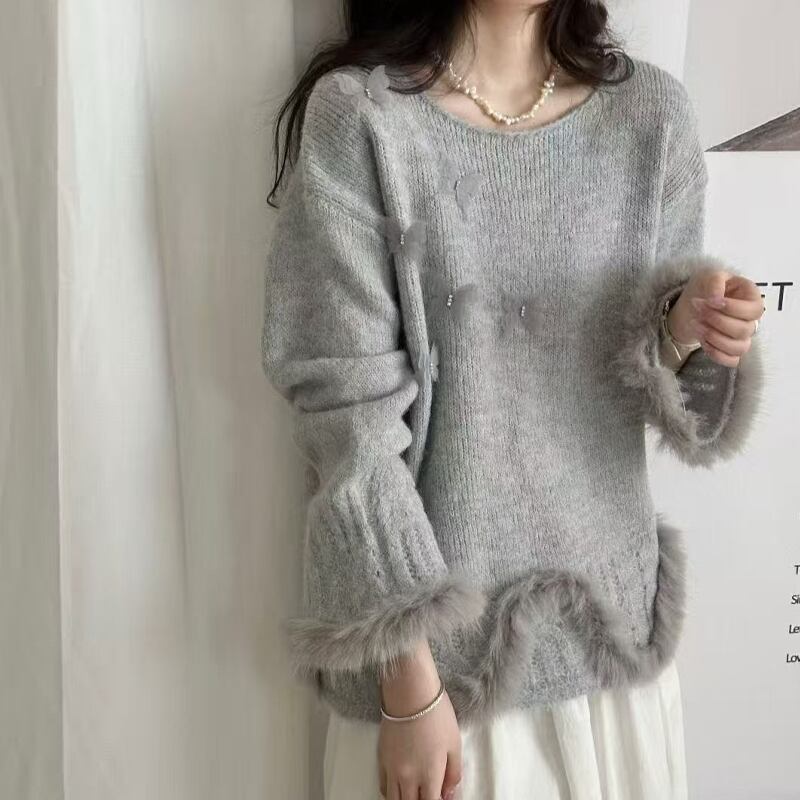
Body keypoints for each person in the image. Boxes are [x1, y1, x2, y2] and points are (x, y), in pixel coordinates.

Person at [260, 2, 767, 798]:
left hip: (609, 664)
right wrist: (409, 683)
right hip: (434, 691)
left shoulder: (652, 116)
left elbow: (682, 414)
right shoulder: (363, 120)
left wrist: (688, 334)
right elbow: (347, 422)